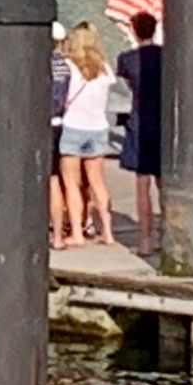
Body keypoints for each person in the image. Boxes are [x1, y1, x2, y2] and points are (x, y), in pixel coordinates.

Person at [58, 22, 117, 248]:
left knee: (72, 183)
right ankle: (108, 232)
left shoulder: (70, 67)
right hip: (98, 127)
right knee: (97, 181)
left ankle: (77, 233)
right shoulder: (104, 69)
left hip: (73, 126)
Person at [116, 11, 163, 255]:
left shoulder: (127, 59)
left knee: (142, 183)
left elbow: (124, 88)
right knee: (164, 183)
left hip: (139, 120)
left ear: (134, 31)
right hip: (163, 120)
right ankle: (168, 234)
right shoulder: (166, 56)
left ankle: (145, 239)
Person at [47, 20, 72, 247]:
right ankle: (61, 232)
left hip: (44, 124)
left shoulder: (40, 63)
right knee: (60, 178)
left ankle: (52, 232)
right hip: (64, 122)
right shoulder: (67, 65)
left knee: (48, 179)